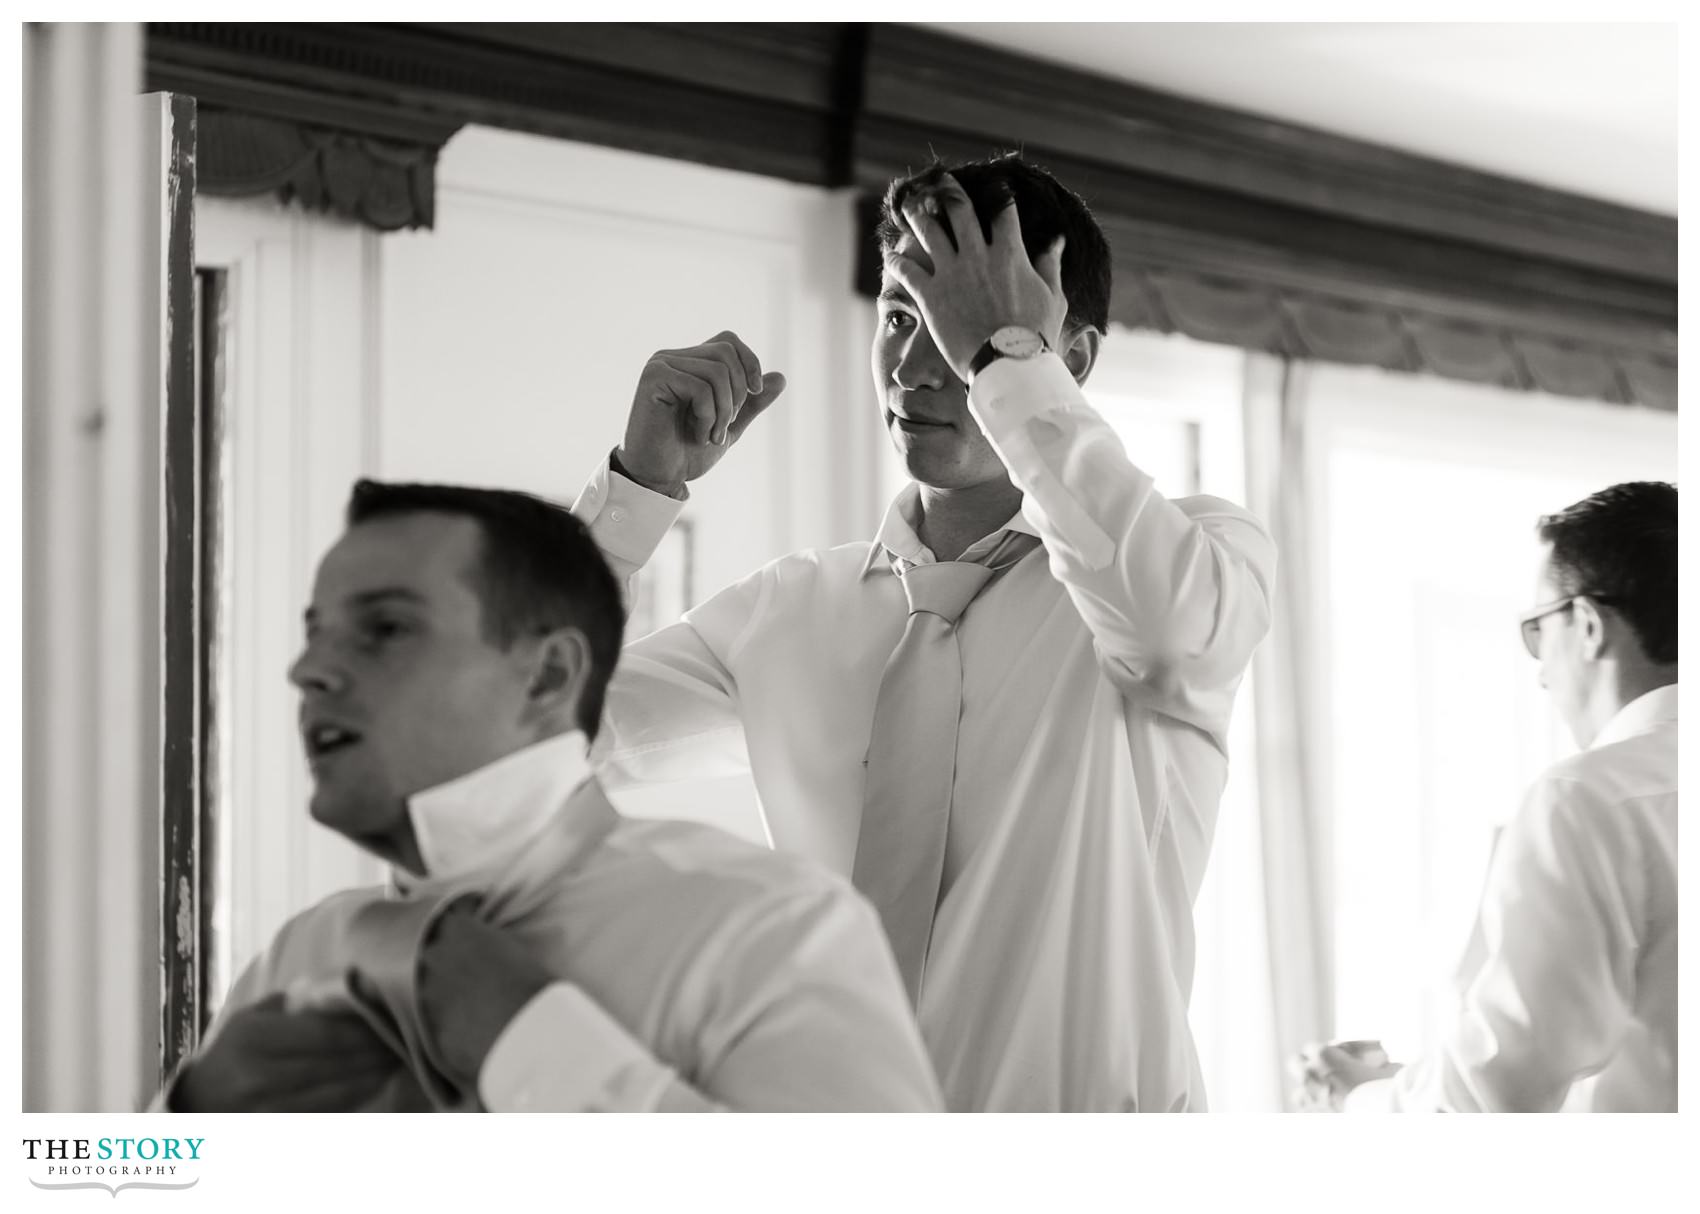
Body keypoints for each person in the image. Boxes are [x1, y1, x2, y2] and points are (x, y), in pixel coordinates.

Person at [573, 154, 1277, 1111]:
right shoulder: (784, 612)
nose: (912, 368)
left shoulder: (1193, 553)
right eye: (900, 318)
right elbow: (539, 736)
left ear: (1068, 362)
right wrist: (635, 493)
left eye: (955, 332)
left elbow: (1169, 638)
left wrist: (1004, 365)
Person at [161, 480, 943, 1112]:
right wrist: (194, 1123)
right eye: (316, 633)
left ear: (547, 676)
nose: (311, 672)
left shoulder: (770, 935)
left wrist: (530, 1043)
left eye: (385, 630)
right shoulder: (306, 956)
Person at [1301, 481, 1677, 1113]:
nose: (1540, 672)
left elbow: (1500, 1096)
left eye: (1537, 630)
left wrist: (1357, 1100)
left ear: (1587, 625)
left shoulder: (1585, 800)